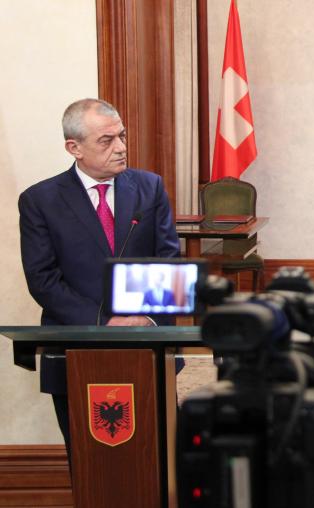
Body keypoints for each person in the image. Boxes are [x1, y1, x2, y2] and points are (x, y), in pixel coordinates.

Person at [18, 98, 180, 453]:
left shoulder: (149, 187)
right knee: (89, 457)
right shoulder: (40, 200)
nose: (120, 147)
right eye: (106, 141)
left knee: (157, 456)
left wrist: (146, 318)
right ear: (74, 148)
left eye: (122, 136)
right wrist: (104, 322)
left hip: (147, 343)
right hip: (75, 348)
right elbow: (43, 278)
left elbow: (168, 260)